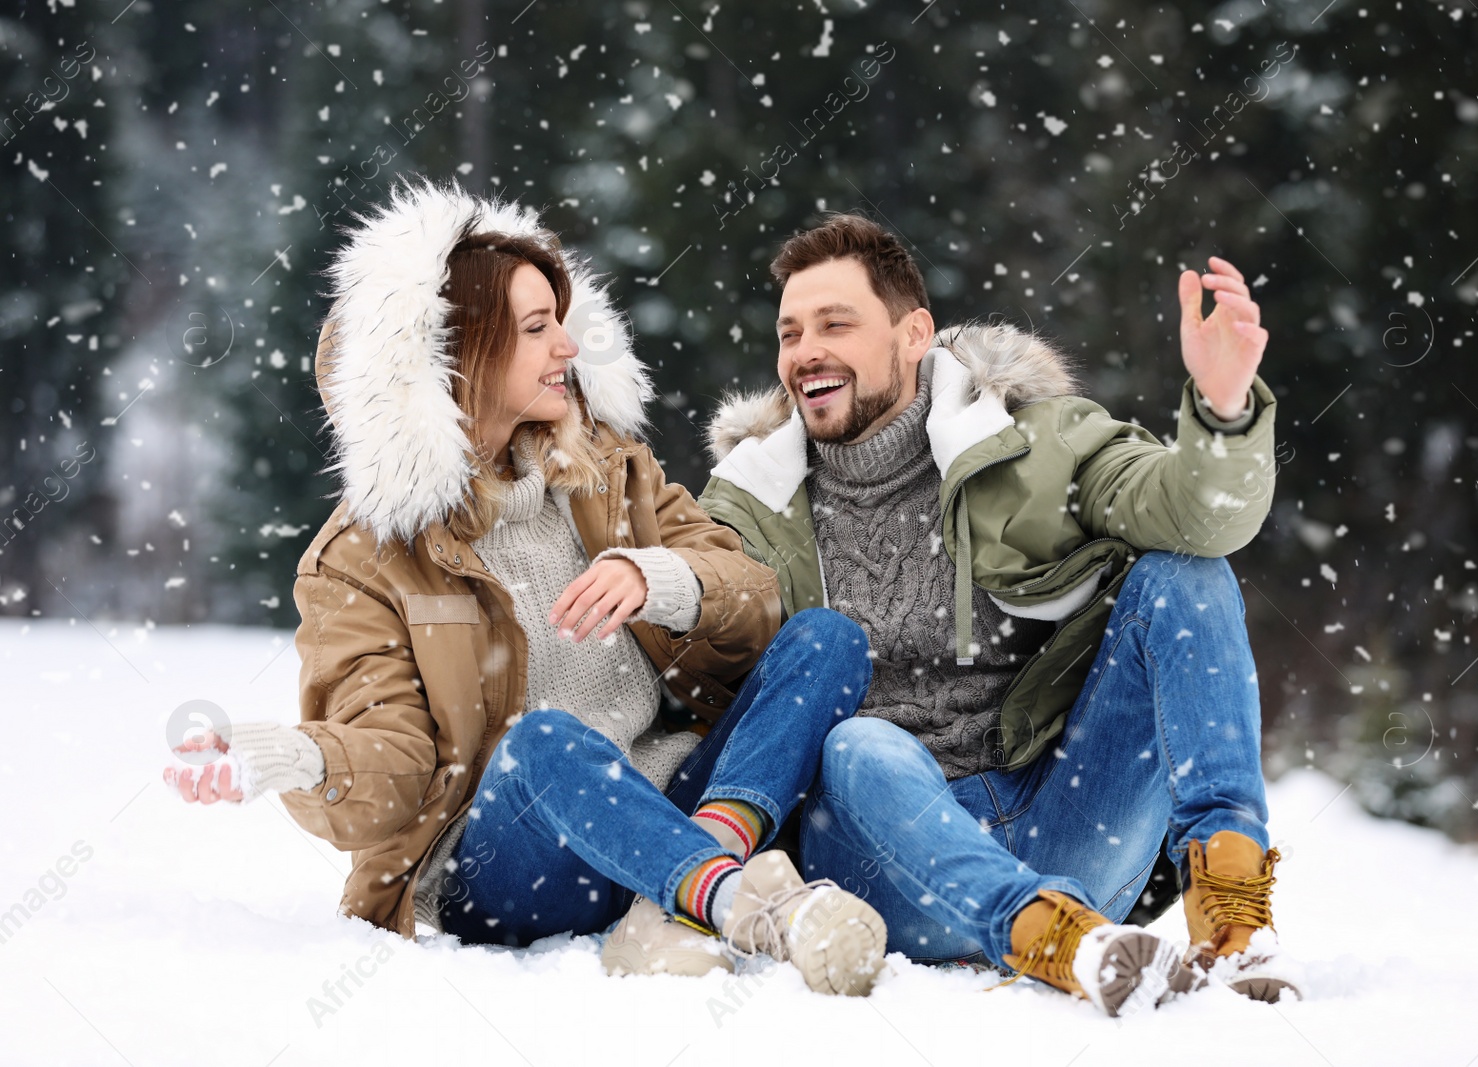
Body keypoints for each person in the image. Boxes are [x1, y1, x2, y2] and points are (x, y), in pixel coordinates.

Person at [163, 179, 887, 996]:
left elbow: (751, 595)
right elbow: (397, 762)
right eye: (538, 329)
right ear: (458, 351)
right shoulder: (363, 557)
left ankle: (687, 890)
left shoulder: (608, 470)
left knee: (827, 638)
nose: (567, 350)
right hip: (517, 862)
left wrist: (661, 578)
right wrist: (301, 754)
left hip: (669, 802)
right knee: (544, 740)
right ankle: (735, 898)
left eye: (561, 324)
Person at [697, 213, 1298, 1015]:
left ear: (915, 334)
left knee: (1185, 574)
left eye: (836, 323)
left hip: (1065, 814)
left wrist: (1223, 412)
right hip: (882, 860)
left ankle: (1229, 912)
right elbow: (693, 682)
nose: (806, 349)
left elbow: (1199, 516)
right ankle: (1044, 933)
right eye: (790, 331)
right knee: (859, 742)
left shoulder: (1033, 442)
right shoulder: (748, 503)